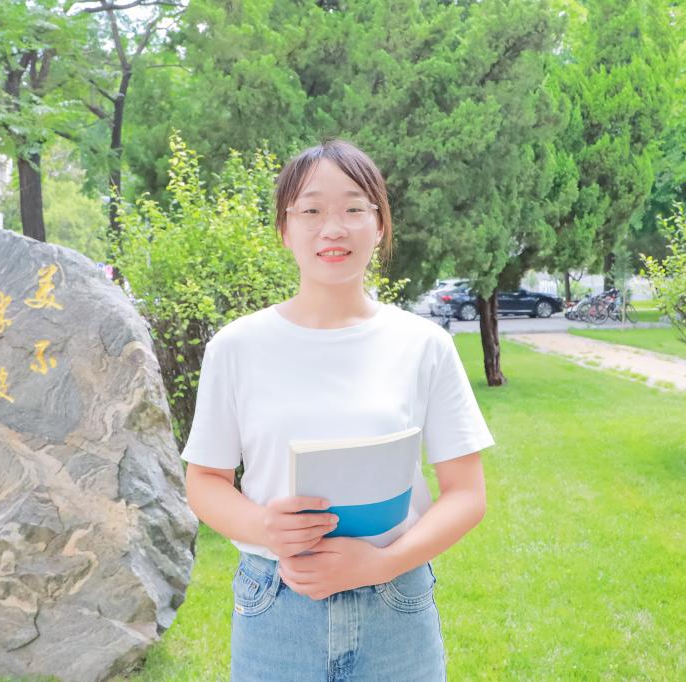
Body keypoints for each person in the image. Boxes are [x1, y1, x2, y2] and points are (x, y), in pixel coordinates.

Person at [180, 139, 495, 681]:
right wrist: (263, 526)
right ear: (285, 229)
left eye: (353, 209)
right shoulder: (236, 347)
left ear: (380, 225)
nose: (333, 228)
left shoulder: (423, 344)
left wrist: (381, 564)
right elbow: (205, 481)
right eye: (311, 210)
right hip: (276, 604)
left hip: (396, 603)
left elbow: (467, 494)